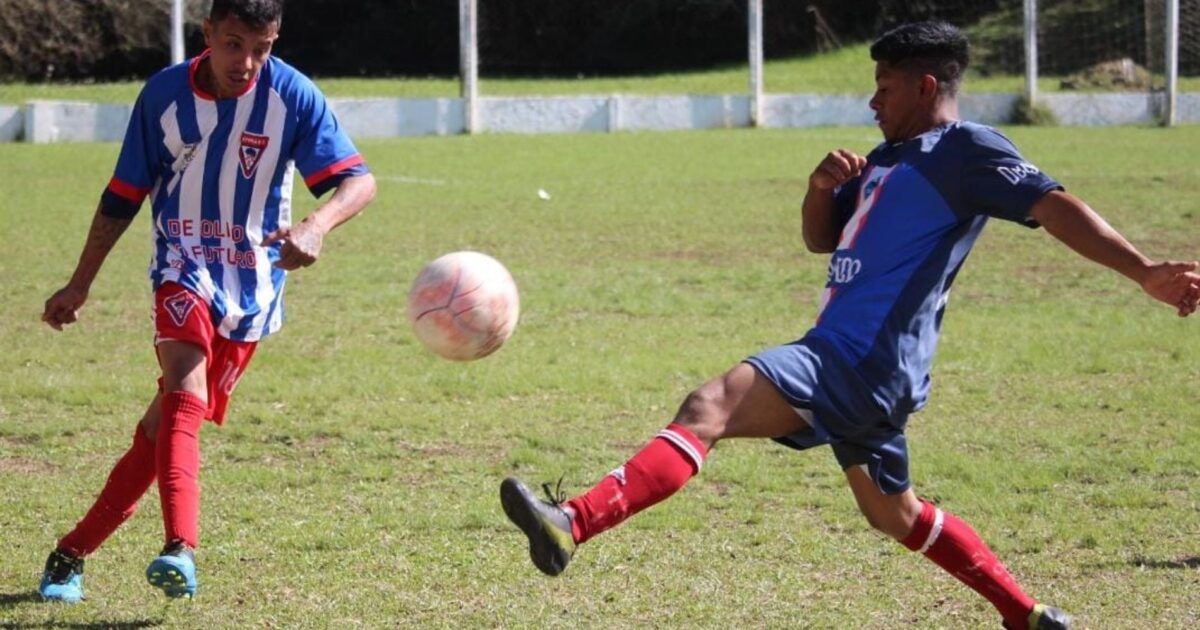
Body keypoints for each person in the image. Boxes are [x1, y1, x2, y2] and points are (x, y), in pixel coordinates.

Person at [499, 21, 1199, 629]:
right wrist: (819, 190)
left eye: (885, 87)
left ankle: (574, 523)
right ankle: (1026, 613)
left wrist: (1142, 271)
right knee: (896, 515)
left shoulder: (966, 152)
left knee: (709, 405)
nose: (873, 100)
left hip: (856, 359)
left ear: (927, 87)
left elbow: (1053, 205)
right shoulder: (884, 163)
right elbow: (820, 240)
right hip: (865, 368)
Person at [37, 0, 376, 602]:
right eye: (234, 43)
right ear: (208, 35)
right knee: (185, 396)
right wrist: (80, 281)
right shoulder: (164, 95)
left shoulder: (292, 96)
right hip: (182, 264)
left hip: (254, 287)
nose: (246, 61)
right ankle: (180, 549)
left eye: (262, 47)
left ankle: (69, 555)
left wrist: (317, 225)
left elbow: (358, 181)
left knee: (160, 430)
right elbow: (123, 194)